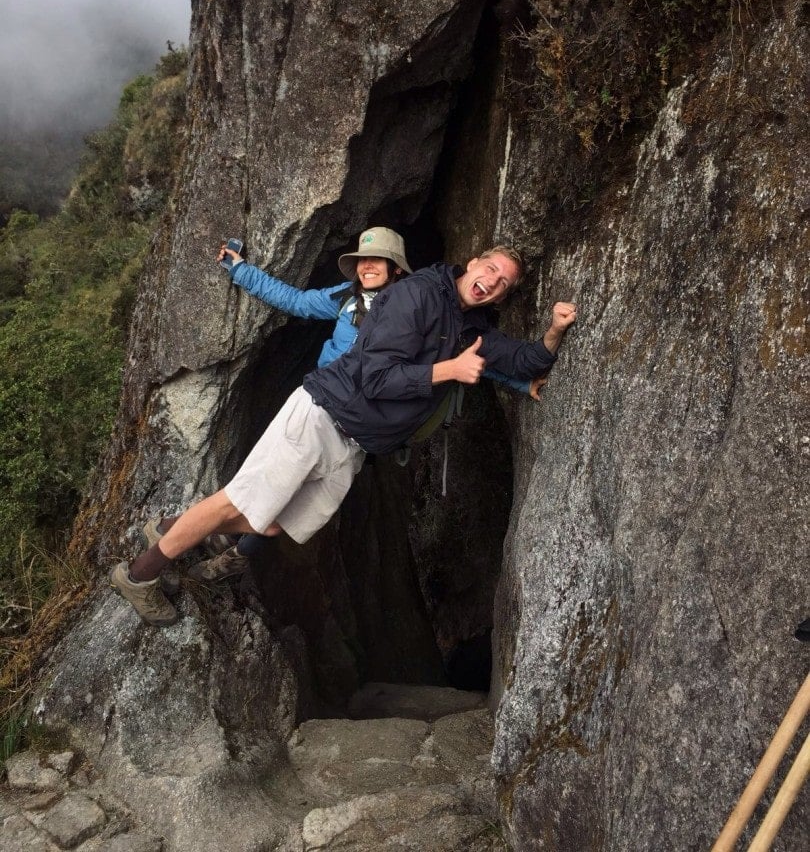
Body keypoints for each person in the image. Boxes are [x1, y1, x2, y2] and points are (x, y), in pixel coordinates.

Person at [110, 245, 577, 626]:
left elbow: (526, 362)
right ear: (472, 262)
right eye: (490, 268)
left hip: (353, 444)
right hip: (321, 415)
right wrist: (447, 370)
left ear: (500, 296)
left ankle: (174, 531)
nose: (493, 280)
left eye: (504, 283)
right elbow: (376, 379)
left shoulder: (468, 326)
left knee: (273, 524)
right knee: (237, 504)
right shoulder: (414, 297)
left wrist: (555, 329)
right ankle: (139, 575)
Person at [191, 229, 542, 583]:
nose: (368, 267)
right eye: (363, 261)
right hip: (325, 408)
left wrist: (522, 383)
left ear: (397, 270)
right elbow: (295, 301)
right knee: (272, 488)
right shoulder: (347, 298)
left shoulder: (425, 308)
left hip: (364, 427)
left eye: (379, 261)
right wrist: (240, 270)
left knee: (293, 505)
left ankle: (232, 553)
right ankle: (193, 533)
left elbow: (477, 358)